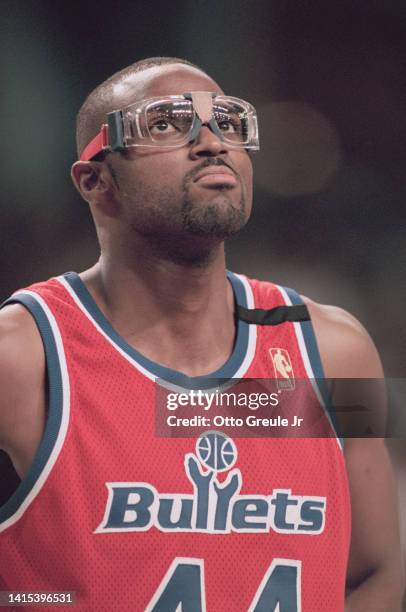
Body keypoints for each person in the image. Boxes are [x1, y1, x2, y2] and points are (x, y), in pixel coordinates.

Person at [0, 56, 403, 611]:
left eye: (230, 124)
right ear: (95, 179)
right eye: (166, 123)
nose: (213, 143)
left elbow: (379, 572)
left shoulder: (336, 349)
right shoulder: (20, 355)